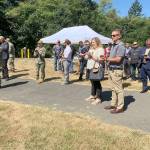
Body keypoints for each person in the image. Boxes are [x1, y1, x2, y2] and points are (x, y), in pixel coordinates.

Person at [104, 29, 125, 114]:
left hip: (117, 70)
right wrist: (107, 57)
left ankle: (120, 107)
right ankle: (113, 104)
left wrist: (107, 58)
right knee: (113, 89)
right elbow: (113, 57)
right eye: (111, 35)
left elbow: (118, 59)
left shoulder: (121, 46)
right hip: (112, 69)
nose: (112, 37)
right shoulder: (114, 45)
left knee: (119, 90)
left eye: (114, 35)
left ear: (119, 36)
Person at [85, 37, 104, 105]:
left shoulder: (101, 49)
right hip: (90, 67)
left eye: (93, 42)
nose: (92, 43)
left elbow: (100, 60)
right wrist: (87, 55)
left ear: (97, 42)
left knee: (97, 83)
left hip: (96, 68)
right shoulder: (91, 49)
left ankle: (98, 98)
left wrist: (91, 56)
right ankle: (93, 95)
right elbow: (86, 58)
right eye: (91, 42)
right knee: (92, 82)